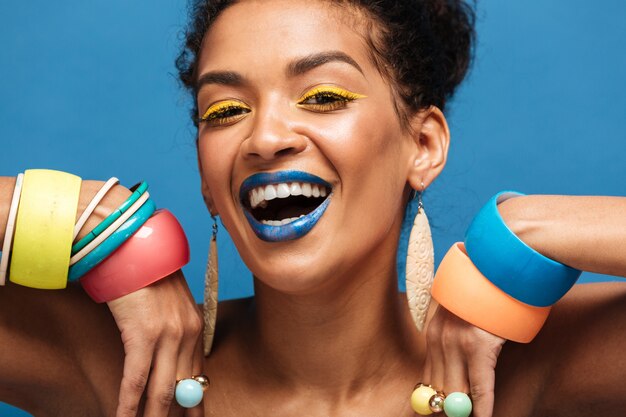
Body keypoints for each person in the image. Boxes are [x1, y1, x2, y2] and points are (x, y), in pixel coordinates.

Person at [1, 1, 625, 416]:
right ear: (205, 177)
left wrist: (532, 227)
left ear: (424, 145)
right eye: (224, 111)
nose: (265, 137)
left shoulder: (519, 370)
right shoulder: (134, 373)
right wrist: (91, 218)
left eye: (322, 96)